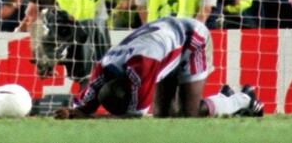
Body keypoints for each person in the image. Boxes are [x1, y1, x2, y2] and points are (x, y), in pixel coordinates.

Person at [54, 16, 264, 118]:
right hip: (162, 44)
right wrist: (73, 112)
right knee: (165, 116)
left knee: (187, 115)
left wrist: (92, 120)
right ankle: (224, 96)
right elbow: (85, 103)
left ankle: (242, 99)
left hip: (192, 38)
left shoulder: (141, 70)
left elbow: (133, 117)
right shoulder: (104, 65)